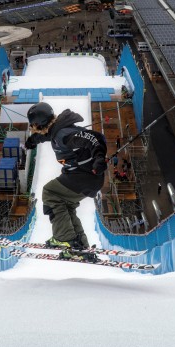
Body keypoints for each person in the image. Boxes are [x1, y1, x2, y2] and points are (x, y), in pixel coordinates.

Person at [25, 102, 107, 249]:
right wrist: (34, 140)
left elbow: (95, 139)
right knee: (65, 206)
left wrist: (99, 158)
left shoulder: (63, 134)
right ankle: (79, 245)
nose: (32, 129)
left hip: (84, 175)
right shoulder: (57, 131)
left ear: (40, 124)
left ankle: (65, 238)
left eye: (33, 126)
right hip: (84, 177)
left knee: (50, 193)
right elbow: (50, 136)